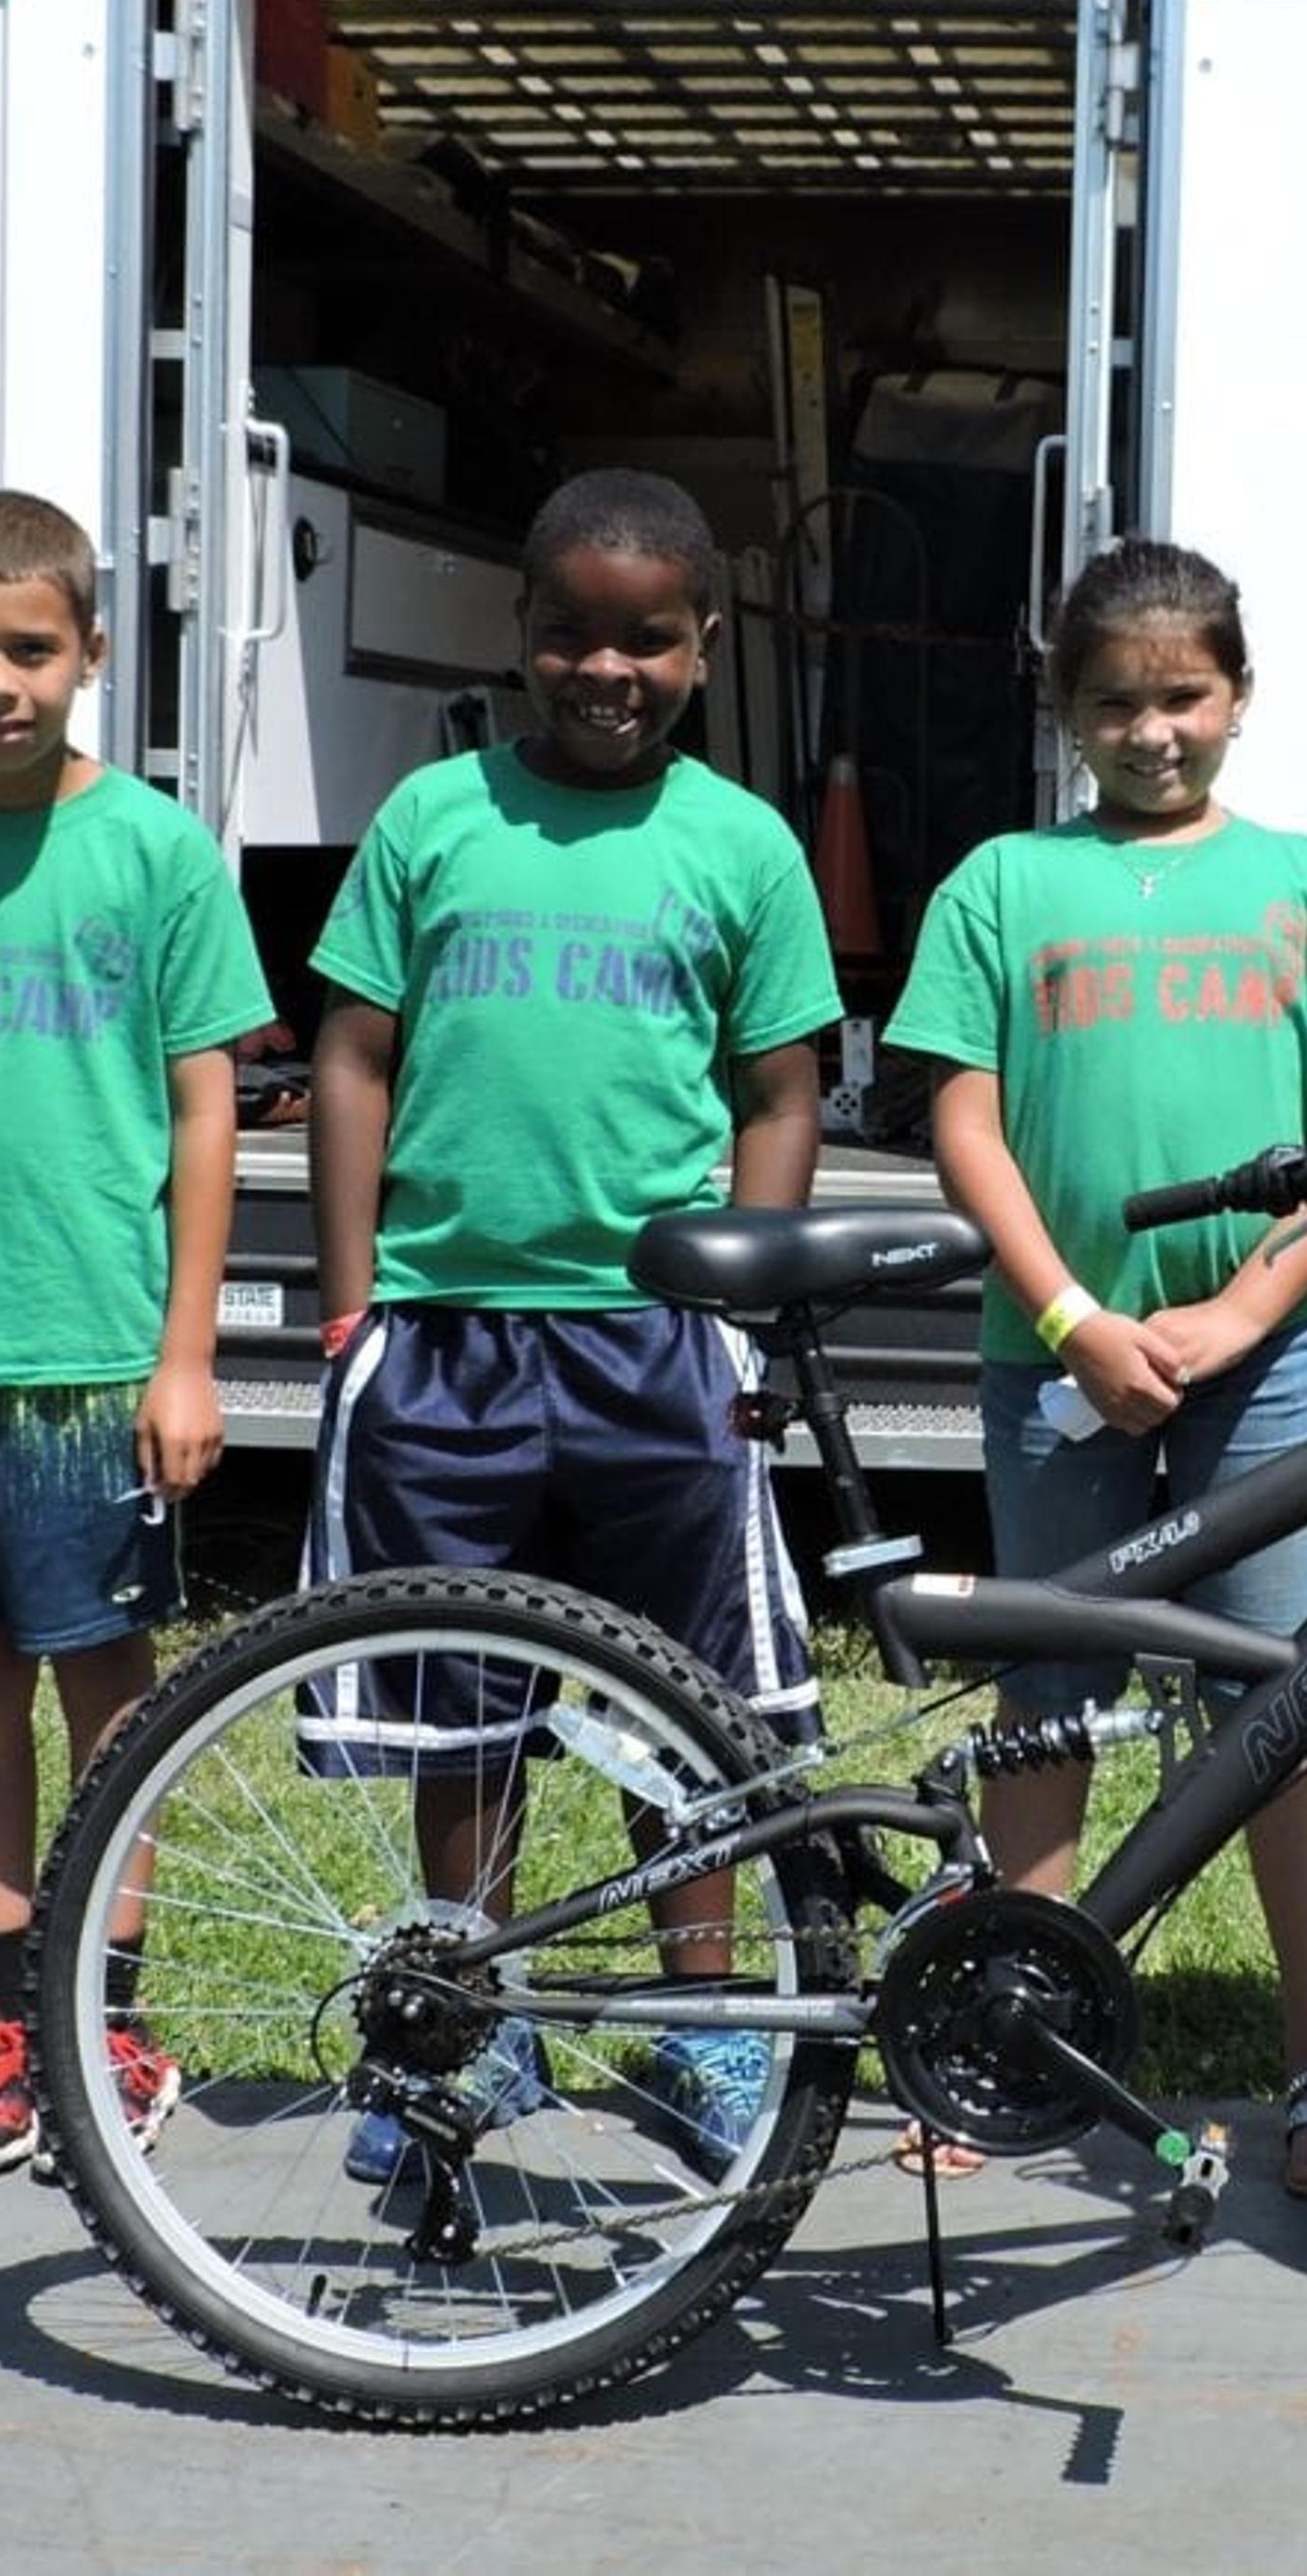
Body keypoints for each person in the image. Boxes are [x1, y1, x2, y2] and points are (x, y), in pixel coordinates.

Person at [297, 466, 842, 2184]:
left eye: (648, 643)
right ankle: (471, 2022)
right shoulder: (434, 821)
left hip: (652, 1347)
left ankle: (704, 2038)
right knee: (466, 1708)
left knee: (678, 1712)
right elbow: (354, 1057)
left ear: (701, 648)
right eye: (570, 637)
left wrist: (743, 1300)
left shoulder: (741, 844)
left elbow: (780, 1086)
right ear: (523, 639)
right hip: (452, 1332)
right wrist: (348, 1288)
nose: (606, 671)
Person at [886, 538, 1307, 2198]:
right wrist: (1071, 1320)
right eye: (1115, 701)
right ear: (1067, 712)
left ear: (1239, 698)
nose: (1154, 730)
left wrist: (1247, 1316)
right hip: (1059, 1355)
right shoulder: (998, 886)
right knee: (1043, 1712)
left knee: (1271, 1704)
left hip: (1255, 1370)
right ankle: (1010, 2034)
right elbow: (958, 1115)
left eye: (1184, 695)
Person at [0, 487, 276, 2176]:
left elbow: (207, 1107)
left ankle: (110, 2010)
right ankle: (5, 2015)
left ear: (92, 651)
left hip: (97, 1353)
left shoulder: (154, 850)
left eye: (31, 649)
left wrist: (185, 1352)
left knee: (109, 1685)